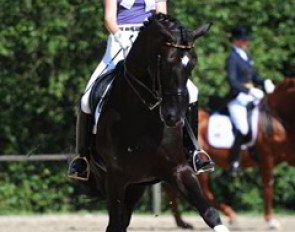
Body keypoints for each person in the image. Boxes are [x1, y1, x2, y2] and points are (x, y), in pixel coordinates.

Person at [68, 0, 213, 181]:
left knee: (192, 91)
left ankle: (193, 151)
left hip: (151, 42)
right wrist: (120, 37)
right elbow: (109, 18)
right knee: (86, 97)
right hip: (120, 40)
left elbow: (163, 19)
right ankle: (82, 158)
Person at [226, 25, 275, 177]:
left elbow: (253, 76)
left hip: (251, 96)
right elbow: (232, 81)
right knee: (243, 128)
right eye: (242, 39)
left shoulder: (246, 55)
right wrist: (249, 90)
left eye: (246, 39)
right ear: (235, 40)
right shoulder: (232, 58)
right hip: (237, 98)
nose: (246, 42)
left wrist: (264, 81)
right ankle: (233, 161)